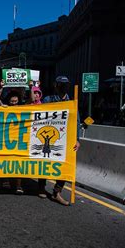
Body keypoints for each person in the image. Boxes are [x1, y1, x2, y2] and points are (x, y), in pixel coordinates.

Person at [41, 76, 81, 206]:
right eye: (61, 84)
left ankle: (57, 192)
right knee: (44, 162)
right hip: (49, 135)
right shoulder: (48, 100)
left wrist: (77, 139)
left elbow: (77, 122)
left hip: (65, 139)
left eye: (66, 84)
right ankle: (41, 187)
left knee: (64, 165)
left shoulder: (72, 101)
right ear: (55, 85)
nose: (64, 87)